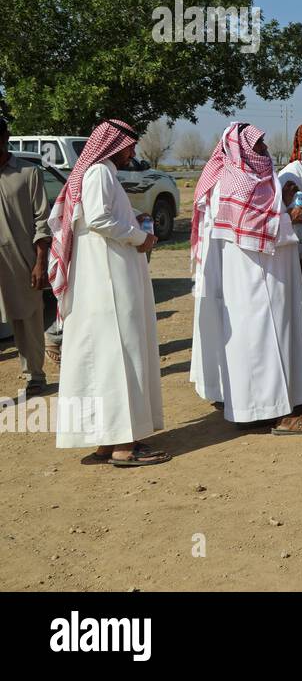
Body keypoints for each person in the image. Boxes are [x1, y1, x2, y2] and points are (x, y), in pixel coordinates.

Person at [189, 123, 302, 434]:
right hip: (253, 277)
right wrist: (288, 217)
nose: (264, 149)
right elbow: (252, 232)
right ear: (242, 149)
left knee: (266, 339)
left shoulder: (253, 179)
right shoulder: (234, 182)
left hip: (268, 274)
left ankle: (260, 409)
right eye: (259, 145)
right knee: (263, 340)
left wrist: (285, 207)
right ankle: (278, 413)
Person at [47, 119, 167, 466]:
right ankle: (124, 446)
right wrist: (138, 237)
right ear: (114, 145)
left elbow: (100, 216)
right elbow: (99, 219)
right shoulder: (99, 171)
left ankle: (106, 443)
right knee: (120, 354)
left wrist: (132, 218)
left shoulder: (100, 173)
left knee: (106, 357)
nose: (132, 152)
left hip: (105, 275)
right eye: (129, 145)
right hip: (108, 277)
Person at [0, 113, 52, 395]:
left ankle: (35, 375)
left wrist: (40, 262)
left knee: (28, 317)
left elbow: (43, 221)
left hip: (21, 258)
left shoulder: (28, 173)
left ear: (5, 138)